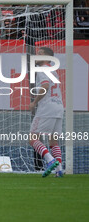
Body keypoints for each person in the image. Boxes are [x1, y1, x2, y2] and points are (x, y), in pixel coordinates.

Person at [29, 47, 64, 178]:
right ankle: (59, 170)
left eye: (39, 53)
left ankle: (50, 160)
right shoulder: (54, 71)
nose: (36, 56)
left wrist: (34, 102)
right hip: (59, 106)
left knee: (32, 139)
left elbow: (45, 86)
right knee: (53, 142)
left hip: (47, 107)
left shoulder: (42, 69)